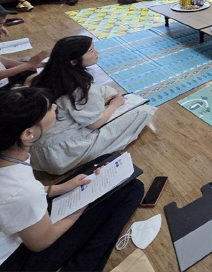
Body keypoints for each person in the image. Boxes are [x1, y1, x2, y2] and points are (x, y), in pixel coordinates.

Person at [0, 87, 144, 271]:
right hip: (15, 260)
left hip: (18, 222)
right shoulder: (22, 189)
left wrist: (59, 189)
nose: (55, 107)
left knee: (104, 161)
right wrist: (83, 202)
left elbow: (10, 199)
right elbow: (41, 242)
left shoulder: (10, 158)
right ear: (28, 133)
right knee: (132, 189)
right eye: (48, 109)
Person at [30, 36, 156, 174]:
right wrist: (113, 105)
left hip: (36, 146)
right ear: (74, 61)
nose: (96, 52)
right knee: (144, 111)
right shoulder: (80, 89)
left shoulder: (43, 76)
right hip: (60, 154)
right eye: (91, 51)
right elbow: (94, 124)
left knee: (107, 90)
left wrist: (103, 102)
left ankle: (101, 108)